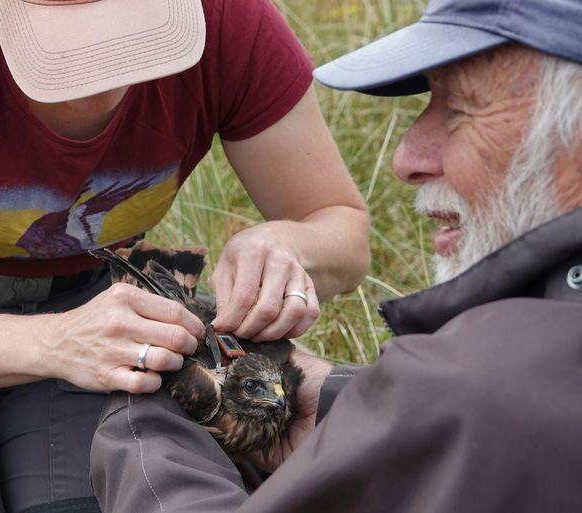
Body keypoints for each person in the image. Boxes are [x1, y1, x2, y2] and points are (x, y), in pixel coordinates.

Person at [0, 0, 370, 511]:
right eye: (64, 49)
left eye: (140, 35)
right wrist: (53, 343)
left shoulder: (224, 18)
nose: (109, 78)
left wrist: (283, 244)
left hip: (97, 306)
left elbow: (342, 232)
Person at [89, 0, 582, 511]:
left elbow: (509, 406)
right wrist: (355, 402)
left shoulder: (501, 381)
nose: (405, 157)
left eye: (461, 110)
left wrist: (148, 424)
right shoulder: (525, 373)